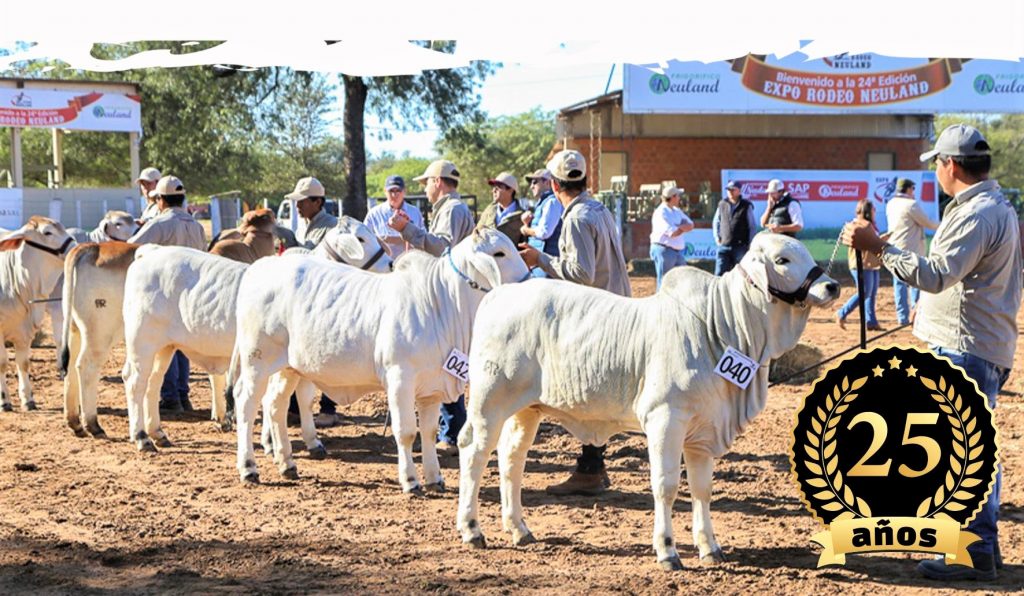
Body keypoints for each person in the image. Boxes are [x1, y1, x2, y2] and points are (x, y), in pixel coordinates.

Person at [843, 123, 1022, 581]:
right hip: (977, 343)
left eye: (938, 163)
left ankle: (969, 551)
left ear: (951, 165)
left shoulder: (976, 213)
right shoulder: (986, 207)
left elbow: (939, 274)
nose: (938, 172)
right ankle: (979, 547)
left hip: (965, 347)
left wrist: (878, 248)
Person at [519, 149, 631, 496]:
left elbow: (581, 274)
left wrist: (541, 258)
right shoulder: (598, 209)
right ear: (584, 180)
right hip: (616, 309)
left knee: (587, 393)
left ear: (554, 185)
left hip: (596, 316)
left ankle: (591, 468)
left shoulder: (578, 218)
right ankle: (591, 465)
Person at [388, 159, 475, 455]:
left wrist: (408, 229)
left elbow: (443, 249)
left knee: (448, 358)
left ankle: (452, 432)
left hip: (449, 297)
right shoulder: (452, 208)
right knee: (448, 358)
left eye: (426, 182)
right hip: (450, 295)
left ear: (438, 181)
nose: (424, 188)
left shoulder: (451, 209)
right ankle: (452, 429)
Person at [128, 175, 206, 412]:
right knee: (182, 345)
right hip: (192, 293)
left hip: (165, 293)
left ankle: (170, 396)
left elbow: (132, 247)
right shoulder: (197, 226)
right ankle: (182, 394)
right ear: (181, 199)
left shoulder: (159, 224)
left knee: (165, 344)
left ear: (161, 200)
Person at [884, 178, 939, 325]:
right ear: (908, 189)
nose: (914, 192)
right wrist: (943, 225)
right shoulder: (911, 205)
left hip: (895, 248)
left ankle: (902, 318)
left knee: (899, 284)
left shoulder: (890, 204)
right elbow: (926, 222)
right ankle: (916, 316)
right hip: (912, 251)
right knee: (915, 284)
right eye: (913, 188)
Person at [835, 199, 884, 332]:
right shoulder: (861, 225)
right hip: (862, 264)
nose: (875, 211)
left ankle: (871, 321)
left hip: (872, 263)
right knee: (865, 292)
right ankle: (842, 313)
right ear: (868, 211)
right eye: (873, 209)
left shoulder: (869, 225)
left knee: (871, 293)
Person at [364, 175, 424, 261]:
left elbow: (422, 238)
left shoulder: (415, 212)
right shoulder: (374, 214)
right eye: (391, 191)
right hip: (382, 265)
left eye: (398, 191)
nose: (394, 194)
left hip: (408, 264)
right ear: (385, 191)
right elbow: (366, 239)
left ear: (404, 191)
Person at [519, 168, 563, 277]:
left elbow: (544, 232)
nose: (531, 186)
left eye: (535, 182)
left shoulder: (552, 202)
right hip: (541, 264)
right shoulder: (545, 202)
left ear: (547, 182)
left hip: (547, 266)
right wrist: (526, 223)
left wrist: (526, 230)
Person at [648, 186, 694, 290]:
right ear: (672, 197)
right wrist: (682, 227)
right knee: (665, 282)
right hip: (664, 250)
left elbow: (691, 225)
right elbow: (673, 233)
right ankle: (660, 305)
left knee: (683, 279)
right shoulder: (661, 212)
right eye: (677, 196)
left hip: (676, 251)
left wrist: (679, 227)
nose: (679, 198)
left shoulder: (676, 211)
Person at [712, 180, 756, 275]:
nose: (730, 192)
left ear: (739, 191)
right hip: (724, 246)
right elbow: (716, 222)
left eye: (733, 189)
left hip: (740, 247)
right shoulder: (722, 204)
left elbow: (752, 226)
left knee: (742, 274)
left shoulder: (746, 205)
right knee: (719, 274)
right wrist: (717, 238)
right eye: (728, 190)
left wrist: (750, 243)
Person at [476, 172, 527, 245]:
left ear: (510, 190)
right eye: (493, 188)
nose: (493, 191)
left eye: (498, 188)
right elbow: (477, 233)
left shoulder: (522, 216)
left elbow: (524, 244)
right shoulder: (489, 210)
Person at [287, 177, 338, 249]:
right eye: (296, 201)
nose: (297, 205)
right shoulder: (301, 229)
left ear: (318, 202)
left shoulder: (333, 226)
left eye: (301, 201)